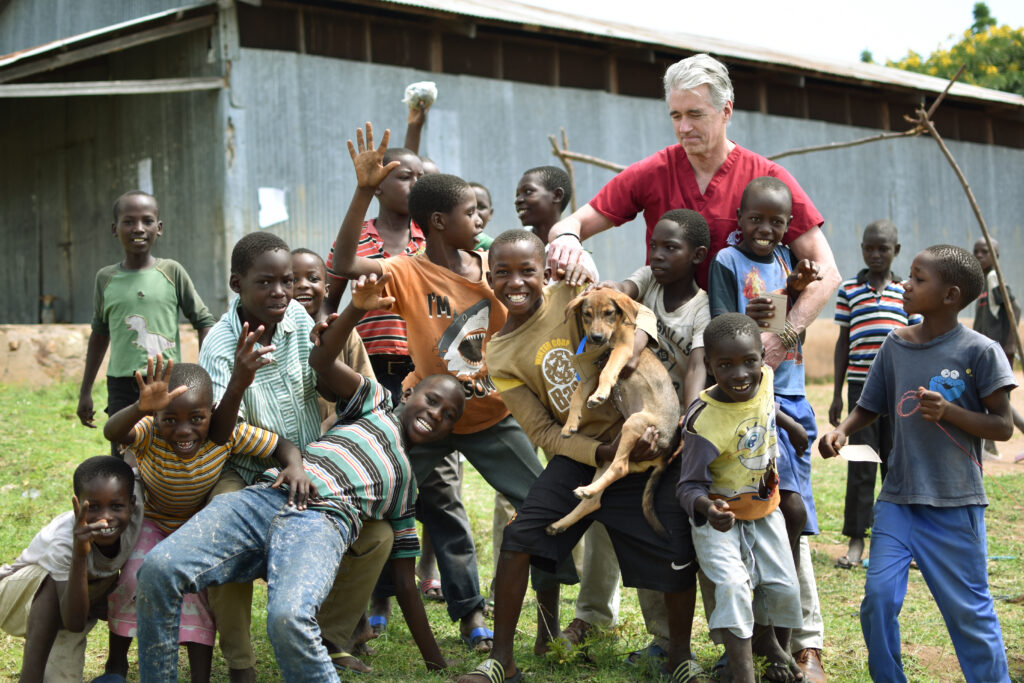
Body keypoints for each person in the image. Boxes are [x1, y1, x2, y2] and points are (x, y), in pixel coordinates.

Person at [547, 55, 839, 678]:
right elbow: (582, 219)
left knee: (779, 497)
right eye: (675, 114)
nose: (684, 126)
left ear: (726, 110)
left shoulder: (765, 178)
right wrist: (567, 236)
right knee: (669, 496)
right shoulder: (656, 172)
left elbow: (827, 272)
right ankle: (667, 637)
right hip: (674, 370)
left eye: (696, 114)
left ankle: (801, 640)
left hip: (754, 371)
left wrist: (783, 339)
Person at [135, 292, 464, 682]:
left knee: (289, 617)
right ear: (408, 393)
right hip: (264, 494)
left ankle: (326, 650)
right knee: (158, 569)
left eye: (447, 417)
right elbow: (322, 360)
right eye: (432, 400)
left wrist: (437, 664)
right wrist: (355, 308)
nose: (435, 414)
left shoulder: (406, 489)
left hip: (320, 523)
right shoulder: (375, 402)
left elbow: (407, 586)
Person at [329, 124, 568, 653]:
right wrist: (363, 191)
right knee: (443, 514)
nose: (480, 219)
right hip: (427, 417)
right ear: (439, 222)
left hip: (494, 416)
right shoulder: (405, 271)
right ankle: (468, 615)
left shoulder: (495, 271)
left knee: (540, 509)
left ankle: (549, 622)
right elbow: (343, 265)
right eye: (469, 213)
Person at [457, 229, 704, 683]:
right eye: (503, 273)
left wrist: (629, 355)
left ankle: (680, 659)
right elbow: (542, 431)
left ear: (544, 272)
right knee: (519, 538)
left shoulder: (573, 294)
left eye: (527, 271)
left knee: (674, 541)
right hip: (583, 456)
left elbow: (639, 314)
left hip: (639, 443)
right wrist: (600, 451)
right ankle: (501, 662)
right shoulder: (499, 350)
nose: (516, 282)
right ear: (487, 277)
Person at [198, 232, 394, 679]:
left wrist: (330, 350)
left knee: (376, 535)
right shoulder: (220, 343)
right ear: (237, 284)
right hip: (246, 470)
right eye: (266, 283)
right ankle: (241, 663)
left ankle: (327, 639)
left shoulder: (298, 323)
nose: (282, 293)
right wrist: (240, 384)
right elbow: (220, 431)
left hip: (311, 467)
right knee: (221, 532)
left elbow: (325, 383)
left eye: (287, 282)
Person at [820, 244, 1015, 683]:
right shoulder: (896, 344)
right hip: (899, 500)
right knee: (879, 599)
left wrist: (950, 412)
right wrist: (843, 430)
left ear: (951, 295)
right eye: (909, 275)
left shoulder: (980, 351)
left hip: (955, 504)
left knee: (969, 613)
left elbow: (1002, 427)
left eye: (918, 278)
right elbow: (870, 404)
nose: (906, 284)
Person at [101, 358, 310, 683]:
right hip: (153, 522)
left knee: (199, 595)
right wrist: (139, 408)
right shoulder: (149, 433)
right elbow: (112, 432)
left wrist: (295, 466)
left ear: (212, 413)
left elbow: (282, 445)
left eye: (196, 418)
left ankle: (200, 675)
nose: (183, 431)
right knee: (132, 580)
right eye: (170, 419)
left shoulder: (225, 435)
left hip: (194, 528)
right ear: (156, 417)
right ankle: (116, 662)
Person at [598, 208, 711, 664]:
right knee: (646, 531)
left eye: (671, 248)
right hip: (637, 425)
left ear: (697, 255)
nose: (659, 255)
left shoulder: (702, 308)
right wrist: (607, 292)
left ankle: (724, 644)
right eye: (654, 246)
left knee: (693, 536)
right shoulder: (648, 280)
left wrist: (688, 424)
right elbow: (622, 291)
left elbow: (699, 367)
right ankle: (661, 639)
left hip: (679, 430)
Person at [677, 313, 807, 683]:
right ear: (708, 364)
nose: (740, 375)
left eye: (749, 361)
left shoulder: (763, 379)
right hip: (720, 520)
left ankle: (771, 651)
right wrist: (707, 508)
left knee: (782, 585)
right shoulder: (702, 421)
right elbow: (687, 487)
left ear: (762, 358)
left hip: (765, 510)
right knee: (734, 587)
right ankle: (743, 672)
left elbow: (766, 405)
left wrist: (792, 427)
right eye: (725, 365)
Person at [77, 191, 216, 455]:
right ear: (114, 228)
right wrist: (85, 391)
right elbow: (100, 332)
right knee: (124, 450)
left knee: (166, 450)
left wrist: (206, 376)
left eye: (147, 221)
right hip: (121, 383)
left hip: (167, 380)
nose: (138, 228)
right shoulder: (105, 278)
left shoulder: (172, 271)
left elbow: (203, 320)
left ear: (159, 228)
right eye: (129, 221)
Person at [0, 456, 142, 683]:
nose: (105, 519)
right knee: (48, 579)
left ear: (132, 504)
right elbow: (74, 621)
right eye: (93, 507)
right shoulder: (64, 542)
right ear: (77, 505)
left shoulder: (136, 506)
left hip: (71, 607)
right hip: (15, 596)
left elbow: (74, 624)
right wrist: (79, 555)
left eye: (116, 506)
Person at [829, 221, 917, 569]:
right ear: (862, 248)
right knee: (862, 464)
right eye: (869, 247)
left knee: (897, 466)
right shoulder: (850, 289)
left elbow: (916, 339)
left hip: (899, 391)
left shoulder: (906, 292)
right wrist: (836, 394)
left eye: (883, 248)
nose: (876, 254)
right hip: (862, 390)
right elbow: (842, 343)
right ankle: (856, 541)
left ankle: (905, 542)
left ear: (896, 250)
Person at [290, 247, 374, 431]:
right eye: (293, 280)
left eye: (313, 279)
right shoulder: (276, 336)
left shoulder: (344, 332)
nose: (303, 285)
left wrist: (329, 425)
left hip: (339, 435)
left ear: (327, 290)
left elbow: (368, 392)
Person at [971, 237, 1024, 460]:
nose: (980, 255)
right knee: (989, 395)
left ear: (996, 256)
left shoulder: (994, 278)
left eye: (985, 252)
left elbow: (1014, 307)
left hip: (997, 351)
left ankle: (990, 445)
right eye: (976, 252)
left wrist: (1010, 344)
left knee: (994, 396)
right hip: (985, 351)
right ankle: (989, 446)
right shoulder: (982, 283)